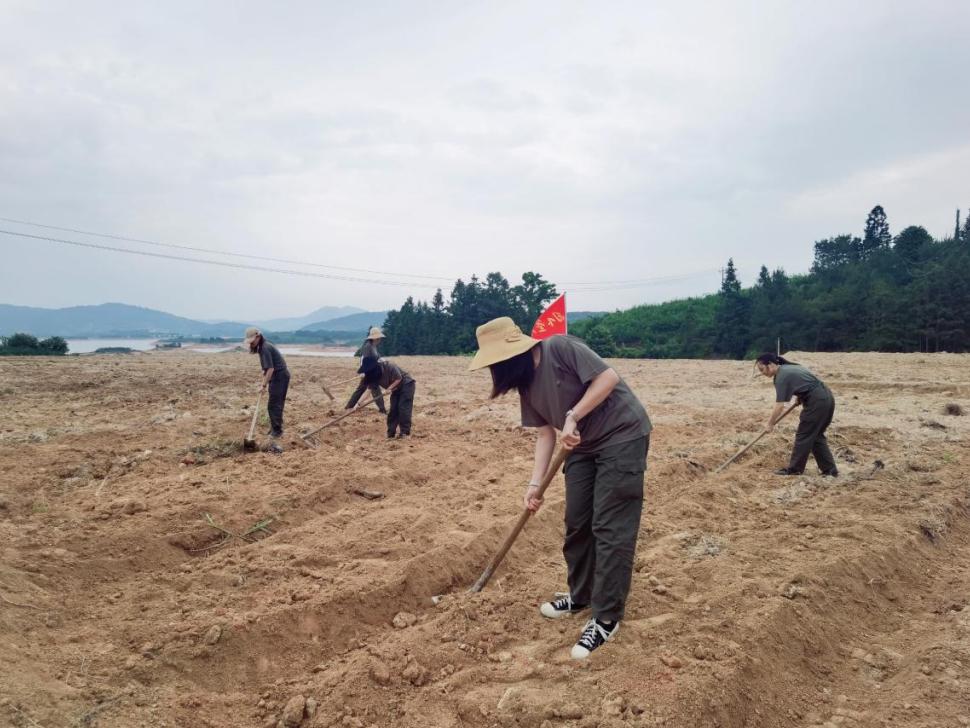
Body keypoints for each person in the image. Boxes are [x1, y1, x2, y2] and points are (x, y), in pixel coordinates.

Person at [469, 317, 652, 660]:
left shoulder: (559, 347)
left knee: (609, 525)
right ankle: (581, 595)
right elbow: (544, 433)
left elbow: (608, 377)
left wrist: (573, 414)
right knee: (577, 521)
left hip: (622, 435)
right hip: (581, 447)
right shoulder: (526, 383)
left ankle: (607, 617)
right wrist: (534, 484)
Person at [755, 353, 837, 477]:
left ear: (771, 365)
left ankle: (794, 470)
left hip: (817, 401)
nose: (762, 373)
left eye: (762, 369)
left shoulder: (781, 377)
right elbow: (805, 381)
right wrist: (801, 396)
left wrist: (770, 424)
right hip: (826, 397)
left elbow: (780, 405)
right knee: (815, 435)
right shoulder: (789, 368)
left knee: (804, 434)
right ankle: (830, 470)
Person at [351, 355, 416, 438]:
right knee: (393, 410)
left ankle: (405, 433)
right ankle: (391, 434)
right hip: (395, 389)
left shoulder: (389, 366)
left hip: (407, 385)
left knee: (403, 408)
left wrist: (389, 388)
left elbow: (398, 378)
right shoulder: (373, 376)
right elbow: (368, 391)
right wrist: (358, 404)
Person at [244, 327, 290, 439]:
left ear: (258, 337)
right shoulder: (263, 347)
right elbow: (266, 369)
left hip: (279, 376)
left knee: (273, 405)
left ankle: (277, 431)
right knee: (276, 403)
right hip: (279, 376)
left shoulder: (265, 348)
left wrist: (264, 385)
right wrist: (263, 381)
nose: (251, 344)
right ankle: (276, 428)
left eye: (252, 341)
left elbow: (270, 369)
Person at [345, 327, 387, 415]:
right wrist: (363, 372)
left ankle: (349, 406)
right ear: (375, 338)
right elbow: (363, 359)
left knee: (362, 389)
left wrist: (384, 361)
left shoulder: (373, 346)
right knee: (374, 389)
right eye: (379, 338)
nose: (380, 340)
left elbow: (378, 357)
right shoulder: (368, 346)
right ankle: (382, 410)